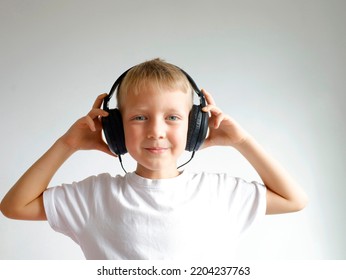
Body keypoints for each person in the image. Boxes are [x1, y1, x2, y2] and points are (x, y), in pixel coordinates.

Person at [0, 58, 308, 260]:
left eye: (173, 117)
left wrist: (242, 141)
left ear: (195, 126)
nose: (156, 131)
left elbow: (294, 199)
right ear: (114, 128)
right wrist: (67, 143)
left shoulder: (220, 193)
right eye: (139, 117)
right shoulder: (94, 197)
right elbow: (14, 206)